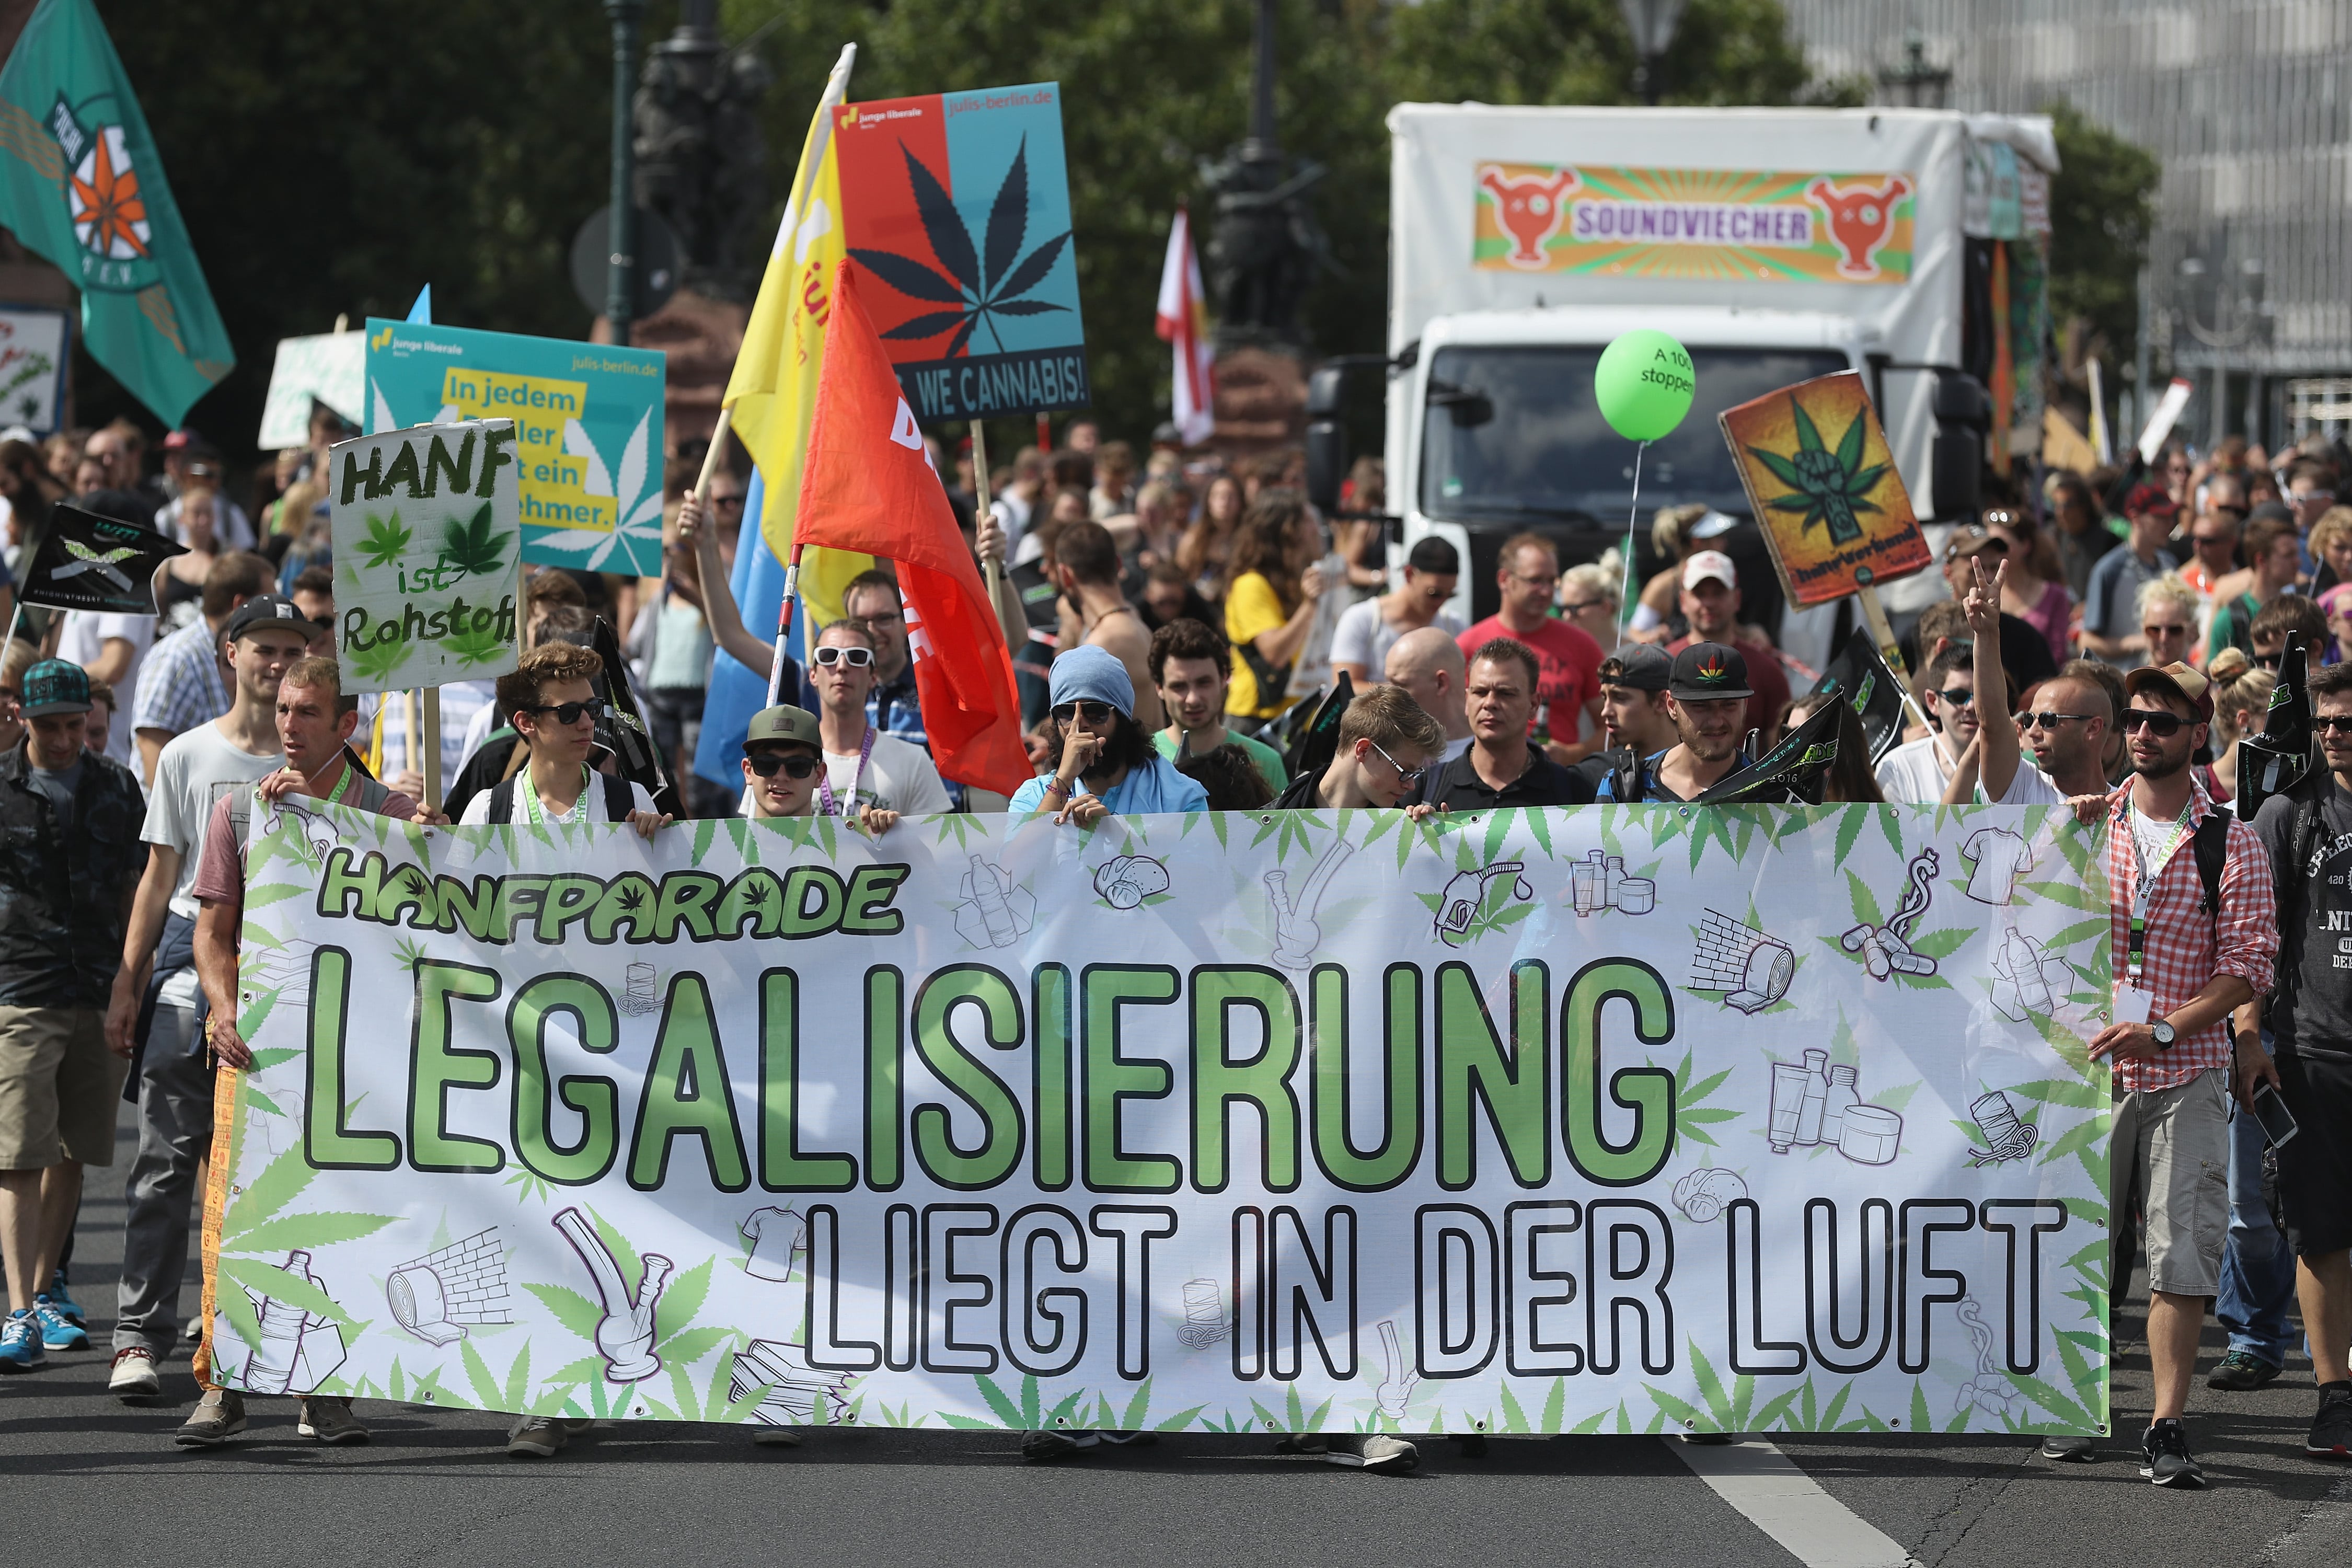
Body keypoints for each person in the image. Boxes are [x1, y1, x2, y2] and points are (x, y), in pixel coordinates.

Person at [172, 655, 439, 1437]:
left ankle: (325, 1389)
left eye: (308, 713)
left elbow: (440, 919)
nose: (288, 726)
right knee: (236, 1211)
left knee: (341, 1212)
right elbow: (212, 934)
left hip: (358, 1060)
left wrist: (431, 844)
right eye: (284, 709)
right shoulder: (242, 813)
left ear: (347, 725)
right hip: (261, 1052)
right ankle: (222, 1385)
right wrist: (223, 1010)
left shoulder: (386, 810)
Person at [2039, 655, 2277, 1487]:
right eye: (2134, 719)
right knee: (2079, 1247)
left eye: (2163, 722)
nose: (2144, 733)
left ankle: (2166, 1422)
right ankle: (2076, 1405)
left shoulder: (2232, 839)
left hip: (2188, 1069)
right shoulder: (2079, 825)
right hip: (2087, 1075)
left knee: (2180, 1255)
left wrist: (2167, 1032)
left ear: (2197, 734)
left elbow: (2249, 965)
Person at [103, 596, 314, 1398]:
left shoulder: (321, 763)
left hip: (287, 975)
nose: (277, 663)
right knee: (164, 1158)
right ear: (230, 653)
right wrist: (129, 983)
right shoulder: (187, 756)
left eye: (293, 650)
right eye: (265, 648)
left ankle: (255, 1338)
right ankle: (136, 1335)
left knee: (270, 1171)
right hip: (189, 973)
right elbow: (160, 877)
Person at [0, 661, 145, 1375]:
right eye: (49, 726)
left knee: (74, 1151)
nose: (64, 740)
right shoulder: (2, 786)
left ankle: (46, 1289)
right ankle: (19, 1309)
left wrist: (131, 981)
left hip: (96, 984)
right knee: (19, 1152)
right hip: (19, 986)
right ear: (22, 719)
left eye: (74, 724)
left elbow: (132, 889)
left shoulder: (116, 785)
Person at [2235, 661, 2352, 1458]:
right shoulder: (2290, 811)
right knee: (2322, 1232)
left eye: (2351, 723)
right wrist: (2250, 1032)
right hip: (2315, 1053)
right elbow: (2256, 935)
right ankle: (2333, 1394)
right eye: (2329, 724)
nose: (2338, 735)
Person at [456, 643, 668, 836]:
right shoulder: (487, 811)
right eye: (570, 712)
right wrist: (430, 840)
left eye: (593, 708)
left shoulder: (632, 801)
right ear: (526, 723)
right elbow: (454, 880)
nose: (587, 722)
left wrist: (658, 844)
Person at [1008, 644, 1208, 823]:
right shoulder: (1033, 796)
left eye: (1096, 712)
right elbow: (1015, 863)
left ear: (1122, 717)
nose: (1081, 724)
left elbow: (1194, 864)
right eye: (1067, 713)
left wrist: (1115, 836)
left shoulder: (1179, 796)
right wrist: (1064, 778)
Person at [1459, 533, 1606, 763]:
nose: (1546, 591)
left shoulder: (1581, 644)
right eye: (1535, 581)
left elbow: (1612, 728)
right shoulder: (1470, 645)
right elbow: (1447, 727)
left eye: (1551, 581)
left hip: (1560, 783)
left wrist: (1573, 754)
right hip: (1486, 783)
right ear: (1504, 579)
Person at [131, 551, 274, 788]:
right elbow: (151, 747)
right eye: (267, 600)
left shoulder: (243, 654)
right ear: (240, 604)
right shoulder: (178, 657)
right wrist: (176, 822)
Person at [1415, 639, 1592, 810]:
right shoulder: (1425, 790)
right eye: (1480, 692)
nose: (1490, 703)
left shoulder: (1573, 792)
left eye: (1506, 693)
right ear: (1467, 701)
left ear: (1534, 705)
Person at [805, 620, 951, 821]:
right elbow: (759, 842)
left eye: (857, 657)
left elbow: (939, 847)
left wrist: (892, 837)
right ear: (813, 674)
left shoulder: (913, 761)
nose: (841, 667)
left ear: (873, 677)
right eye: (828, 656)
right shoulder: (780, 762)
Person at [1593, 643, 1757, 802]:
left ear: (1745, 706)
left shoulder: (1769, 787)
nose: (1716, 721)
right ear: (1671, 706)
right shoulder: (1623, 787)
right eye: (1700, 706)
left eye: (1729, 705)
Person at [1222, 492, 1329, 727]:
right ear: (1290, 531)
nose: (1317, 529)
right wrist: (1310, 606)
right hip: (1257, 720)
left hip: (1297, 715)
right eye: (1309, 522)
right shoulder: (1251, 585)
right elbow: (1275, 654)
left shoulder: (1293, 582)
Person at [1148, 618, 1288, 794]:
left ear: (1224, 678)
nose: (1193, 699)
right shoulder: (1140, 762)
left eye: (1204, 683)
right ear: (1159, 687)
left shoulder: (1265, 762)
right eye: (1179, 686)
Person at [1662, 551, 1789, 744]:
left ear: (1737, 599)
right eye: (1700, 594)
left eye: (1718, 593)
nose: (1709, 603)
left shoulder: (1767, 669)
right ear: (1683, 601)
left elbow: (1780, 746)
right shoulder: (1665, 663)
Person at [1050, 519, 1160, 731]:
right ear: (1118, 564)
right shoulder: (1133, 621)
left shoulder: (1104, 643)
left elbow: (1081, 734)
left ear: (1066, 575)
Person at [1270, 682, 1442, 813]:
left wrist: (1436, 849)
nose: (1411, 786)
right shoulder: (1268, 825)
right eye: (1404, 771)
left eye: (1415, 774)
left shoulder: (1406, 834)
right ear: (1363, 750)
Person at [1330, 535, 1463, 687]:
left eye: (1450, 595)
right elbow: (1344, 688)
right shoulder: (1362, 619)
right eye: (1435, 593)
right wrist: (1410, 693)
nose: (1442, 602)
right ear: (1409, 574)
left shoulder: (1455, 626)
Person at [1873, 641, 1992, 803]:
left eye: (1980, 695)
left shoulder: (2010, 768)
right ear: (1933, 702)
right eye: (1958, 697)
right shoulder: (1898, 768)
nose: (1971, 706)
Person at [2082, 483, 2182, 667]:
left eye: (2170, 517)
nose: (2169, 524)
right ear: (2136, 518)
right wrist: (2142, 642)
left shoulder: (2170, 563)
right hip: (2125, 684)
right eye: (2160, 517)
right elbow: (2087, 641)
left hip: (2168, 678)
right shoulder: (2109, 569)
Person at [1982, 506, 2072, 669]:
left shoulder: (2055, 595)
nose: (1994, 552)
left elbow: (2058, 656)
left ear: (2025, 545)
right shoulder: (1983, 594)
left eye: (2001, 544)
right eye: (1989, 545)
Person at [2207, 514, 2303, 664]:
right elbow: (2215, 677)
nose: (2298, 562)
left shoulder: (2298, 611)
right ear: (2262, 560)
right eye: (2288, 555)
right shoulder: (2231, 618)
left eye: (2296, 554)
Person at [1384, 626, 1473, 764]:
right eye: (1388, 682)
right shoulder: (1382, 748)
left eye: (1400, 685)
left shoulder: (1496, 749)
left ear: (1441, 684)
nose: (1387, 694)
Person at [2136, 574, 2200, 676]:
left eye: (2175, 630)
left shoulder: (2204, 689)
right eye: (2154, 630)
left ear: (2192, 631)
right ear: (2143, 630)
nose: (2164, 639)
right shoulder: (2129, 688)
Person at [1555, 561, 1622, 654]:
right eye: (1562, 609)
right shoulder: (1560, 654)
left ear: (1605, 608)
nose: (1566, 616)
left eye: (1574, 609)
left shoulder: (1637, 656)